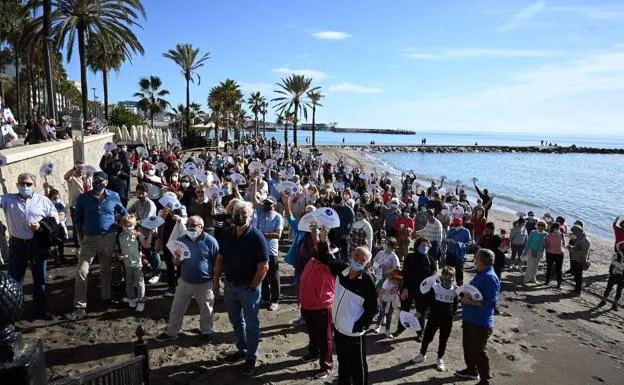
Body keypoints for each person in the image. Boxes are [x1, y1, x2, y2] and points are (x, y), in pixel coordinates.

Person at [213, 200, 269, 376]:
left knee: (252, 323)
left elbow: (264, 266)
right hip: (230, 285)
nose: (240, 216)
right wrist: (216, 281)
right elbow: (220, 258)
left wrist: (253, 286)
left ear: (250, 216)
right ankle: (241, 349)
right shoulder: (227, 233)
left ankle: (251, 356)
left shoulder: (256, 237)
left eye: (244, 214)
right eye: (237, 213)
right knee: (235, 320)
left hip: (248, 288)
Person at [316, 227, 377, 385]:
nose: (357, 260)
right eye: (356, 255)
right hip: (339, 328)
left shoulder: (367, 282)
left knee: (358, 366)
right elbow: (325, 258)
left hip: (354, 333)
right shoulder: (342, 269)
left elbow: (372, 309)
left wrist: (358, 326)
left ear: (367, 262)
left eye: (362, 258)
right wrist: (323, 239)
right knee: (343, 362)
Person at [66, 171, 127, 320]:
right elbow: (78, 221)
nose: (97, 183)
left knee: (106, 269)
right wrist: (81, 238)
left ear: (106, 182)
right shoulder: (83, 198)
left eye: (100, 180)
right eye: (95, 180)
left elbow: (123, 211)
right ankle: (80, 305)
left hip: (108, 237)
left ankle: (106, 297)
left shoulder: (114, 196)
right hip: (89, 239)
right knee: (82, 270)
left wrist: (121, 221)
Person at [0, 173, 59, 320]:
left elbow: (55, 219)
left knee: (40, 279)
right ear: (17, 185)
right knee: (14, 280)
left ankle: (41, 308)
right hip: (17, 244)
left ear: (34, 186)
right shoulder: (8, 200)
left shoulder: (43, 201)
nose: (25, 186)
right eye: (22, 183)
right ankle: (14, 311)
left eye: (28, 184)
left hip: (37, 244)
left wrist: (40, 226)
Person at [156, 216, 219, 344]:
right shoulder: (180, 240)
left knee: (206, 309)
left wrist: (216, 279)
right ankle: (172, 332)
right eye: (188, 224)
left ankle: (206, 332)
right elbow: (176, 261)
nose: (190, 227)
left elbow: (218, 260)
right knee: (176, 308)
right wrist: (177, 260)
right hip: (185, 281)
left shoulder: (210, 241)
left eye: (194, 225)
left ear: (201, 228)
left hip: (204, 282)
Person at [455, 249, 500, 385]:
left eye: (476, 258)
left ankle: (485, 379)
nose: (475, 260)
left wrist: (470, 302)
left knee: (478, 351)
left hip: (480, 321)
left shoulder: (490, 277)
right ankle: (471, 370)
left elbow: (492, 303)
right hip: (470, 318)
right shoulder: (481, 273)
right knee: (468, 347)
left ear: (481, 261)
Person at [299, 228, 337, 379]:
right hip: (307, 304)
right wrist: (314, 233)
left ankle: (327, 366)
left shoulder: (330, 263)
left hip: (322, 305)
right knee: (312, 332)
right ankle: (313, 353)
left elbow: (322, 249)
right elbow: (316, 246)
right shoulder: (313, 260)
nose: (315, 249)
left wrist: (322, 237)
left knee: (325, 337)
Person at [411, 266, 459, 372]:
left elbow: (455, 304)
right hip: (434, 317)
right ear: (441, 276)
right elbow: (427, 302)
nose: (447, 278)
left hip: (447, 319)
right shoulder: (435, 287)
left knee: (443, 339)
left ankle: (439, 358)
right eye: (445, 275)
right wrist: (421, 312)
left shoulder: (455, 290)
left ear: (453, 278)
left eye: (450, 276)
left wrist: (454, 313)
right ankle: (422, 354)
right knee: (427, 336)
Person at [396, 237, 436, 339]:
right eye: (422, 245)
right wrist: (404, 288)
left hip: (422, 291)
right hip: (409, 288)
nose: (425, 247)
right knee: (405, 309)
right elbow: (405, 273)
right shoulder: (410, 257)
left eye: (426, 245)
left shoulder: (430, 259)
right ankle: (400, 328)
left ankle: (420, 332)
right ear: (417, 246)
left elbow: (434, 273)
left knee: (420, 312)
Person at [254, 197, 283, 311]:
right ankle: (265, 298)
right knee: (263, 275)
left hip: (272, 250)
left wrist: (262, 235)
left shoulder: (278, 217)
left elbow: (278, 235)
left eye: (269, 204)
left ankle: (275, 300)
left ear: (274, 205)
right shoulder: (261, 214)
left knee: (273, 276)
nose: (266, 206)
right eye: (265, 204)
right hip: (260, 249)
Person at [117, 215, 145, 312]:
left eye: (130, 226)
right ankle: (131, 298)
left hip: (137, 263)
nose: (127, 228)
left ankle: (141, 300)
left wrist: (150, 234)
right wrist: (119, 255)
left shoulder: (138, 235)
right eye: (125, 225)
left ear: (134, 225)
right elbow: (118, 249)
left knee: (139, 282)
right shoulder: (120, 236)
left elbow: (146, 244)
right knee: (128, 281)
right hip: (126, 263)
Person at [373, 269, 402, 338]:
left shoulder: (399, 282)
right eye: (394, 281)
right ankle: (377, 326)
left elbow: (398, 290)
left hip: (391, 301)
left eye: (397, 281)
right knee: (382, 314)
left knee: (389, 316)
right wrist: (379, 302)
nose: (396, 282)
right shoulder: (387, 283)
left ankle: (387, 330)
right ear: (391, 278)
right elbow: (381, 292)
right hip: (384, 300)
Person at [445, 217, 472, 286]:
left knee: (459, 271)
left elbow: (469, 242)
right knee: (448, 269)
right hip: (450, 252)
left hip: (459, 254)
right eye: (455, 225)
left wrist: (459, 243)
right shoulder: (451, 230)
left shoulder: (466, 231)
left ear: (461, 224)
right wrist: (449, 240)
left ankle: (459, 285)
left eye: (458, 225)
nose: (456, 227)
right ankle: (447, 283)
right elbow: (446, 238)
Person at [598, 241, 624, 311]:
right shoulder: (617, 254)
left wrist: (620, 266)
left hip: (622, 277)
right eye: (623, 245)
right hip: (614, 274)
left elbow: (616, 264)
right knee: (608, 288)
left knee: (619, 291)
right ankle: (604, 300)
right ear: (621, 246)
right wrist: (621, 266)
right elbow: (613, 263)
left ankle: (615, 304)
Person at [329, 194, 355, 262]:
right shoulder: (334, 208)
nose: (336, 206)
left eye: (337, 205)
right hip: (335, 234)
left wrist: (346, 233)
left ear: (342, 202)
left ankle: (344, 265)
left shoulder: (349, 211)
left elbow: (351, 223)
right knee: (335, 252)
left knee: (344, 253)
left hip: (344, 235)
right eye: (335, 204)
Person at [567, 225, 591, 296]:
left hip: (580, 260)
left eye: (574, 232)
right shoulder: (581, 237)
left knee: (578, 276)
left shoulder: (585, 240)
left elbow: (584, 252)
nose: (573, 233)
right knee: (576, 275)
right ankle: (576, 289)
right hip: (576, 259)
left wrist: (572, 250)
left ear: (578, 231)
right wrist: (572, 247)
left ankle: (578, 291)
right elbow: (578, 248)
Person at [544, 222, 566, 288]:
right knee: (554, 269)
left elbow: (546, 245)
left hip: (555, 253)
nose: (557, 229)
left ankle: (551, 282)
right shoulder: (550, 235)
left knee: (553, 269)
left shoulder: (560, 235)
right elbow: (564, 245)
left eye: (557, 228)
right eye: (556, 228)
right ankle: (554, 283)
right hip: (556, 253)